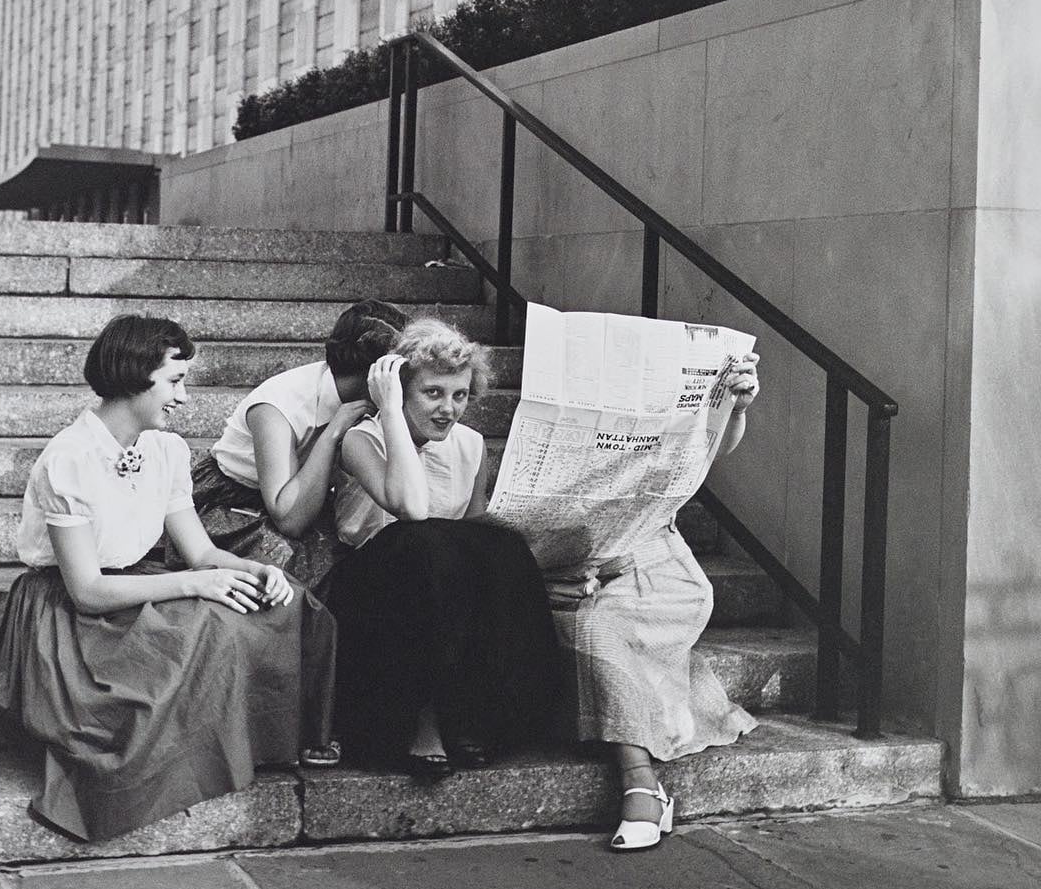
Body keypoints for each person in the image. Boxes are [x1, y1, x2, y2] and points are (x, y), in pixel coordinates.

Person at [0, 314, 338, 844]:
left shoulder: (165, 449)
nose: (183, 398)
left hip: (140, 583)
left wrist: (257, 569)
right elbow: (88, 592)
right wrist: (191, 585)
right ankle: (175, 767)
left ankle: (261, 745)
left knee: (286, 603)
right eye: (174, 381)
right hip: (72, 612)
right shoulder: (69, 458)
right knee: (202, 635)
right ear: (134, 376)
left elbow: (202, 552)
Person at [326, 319, 565, 778]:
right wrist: (390, 412)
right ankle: (422, 718)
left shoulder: (471, 444)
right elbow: (410, 509)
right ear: (399, 391)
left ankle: (481, 714)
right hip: (375, 591)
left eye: (458, 395)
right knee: (423, 543)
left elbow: (473, 523)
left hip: (444, 587)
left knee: (497, 545)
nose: (448, 409)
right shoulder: (363, 439)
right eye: (432, 393)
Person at [548, 351, 762, 851]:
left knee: (598, 627)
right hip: (577, 564)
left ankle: (639, 782)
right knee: (592, 625)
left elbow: (709, 452)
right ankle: (642, 783)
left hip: (659, 563)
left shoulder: (659, 422)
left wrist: (737, 406)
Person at [182, 299, 410, 586]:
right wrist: (334, 432)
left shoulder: (375, 401)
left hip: (306, 499)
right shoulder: (278, 404)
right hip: (234, 502)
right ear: (377, 372)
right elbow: (289, 519)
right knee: (291, 575)